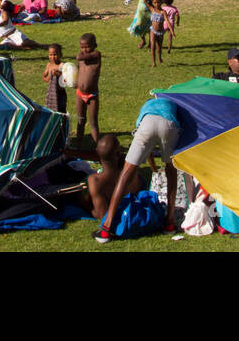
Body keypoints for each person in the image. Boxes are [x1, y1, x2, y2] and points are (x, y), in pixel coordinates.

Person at [95, 97, 181, 243]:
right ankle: (170, 223)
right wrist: (156, 168)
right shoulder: (175, 104)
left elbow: (148, 145)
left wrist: (152, 168)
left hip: (146, 125)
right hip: (169, 125)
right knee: (171, 172)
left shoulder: (146, 106)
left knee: (125, 175)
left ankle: (106, 228)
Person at [82, 134, 140, 221]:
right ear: (118, 153)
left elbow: (102, 215)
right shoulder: (132, 172)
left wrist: (85, 206)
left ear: (97, 153)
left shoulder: (95, 181)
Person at [74, 33, 101, 145]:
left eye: (87, 47)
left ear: (95, 45)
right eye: (82, 47)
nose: (84, 50)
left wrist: (81, 53)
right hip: (80, 94)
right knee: (80, 120)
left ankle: (97, 146)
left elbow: (80, 57)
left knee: (93, 122)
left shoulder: (96, 55)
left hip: (92, 95)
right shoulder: (81, 58)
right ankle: (78, 145)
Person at [44, 43, 67, 113]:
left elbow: (65, 79)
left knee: (61, 111)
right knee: (51, 110)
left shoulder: (62, 65)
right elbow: (45, 78)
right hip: (51, 92)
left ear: (60, 55)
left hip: (60, 93)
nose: (53, 57)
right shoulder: (49, 65)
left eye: (55, 54)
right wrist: (49, 76)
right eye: (50, 55)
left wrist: (57, 74)